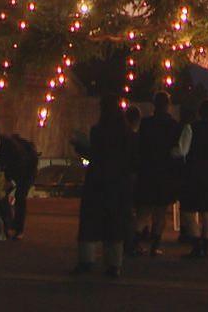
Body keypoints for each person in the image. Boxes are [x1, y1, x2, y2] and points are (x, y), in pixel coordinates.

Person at [74, 94, 137, 278]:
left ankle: (86, 260)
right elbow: (132, 161)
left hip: (97, 182)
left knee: (90, 224)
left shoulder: (98, 131)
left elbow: (94, 154)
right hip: (119, 184)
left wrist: (81, 149)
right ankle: (114, 265)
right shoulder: (127, 134)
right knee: (115, 226)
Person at [176, 98, 208, 260]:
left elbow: (182, 150)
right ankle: (205, 247)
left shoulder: (190, 128)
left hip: (192, 174)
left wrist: (171, 153)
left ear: (199, 113)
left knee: (188, 212)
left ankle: (196, 245)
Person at [132, 91, 183, 256]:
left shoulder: (146, 124)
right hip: (165, 173)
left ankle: (134, 242)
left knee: (143, 211)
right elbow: (176, 151)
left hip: (147, 172)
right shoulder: (174, 126)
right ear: (167, 105)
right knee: (160, 213)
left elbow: (139, 147)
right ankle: (155, 245)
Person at [0, 125, 38, 240]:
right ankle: (6, 226)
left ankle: (19, 229)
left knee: (20, 195)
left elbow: (21, 165)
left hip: (27, 168)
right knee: (2, 194)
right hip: (9, 170)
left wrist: (12, 182)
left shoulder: (12, 146)